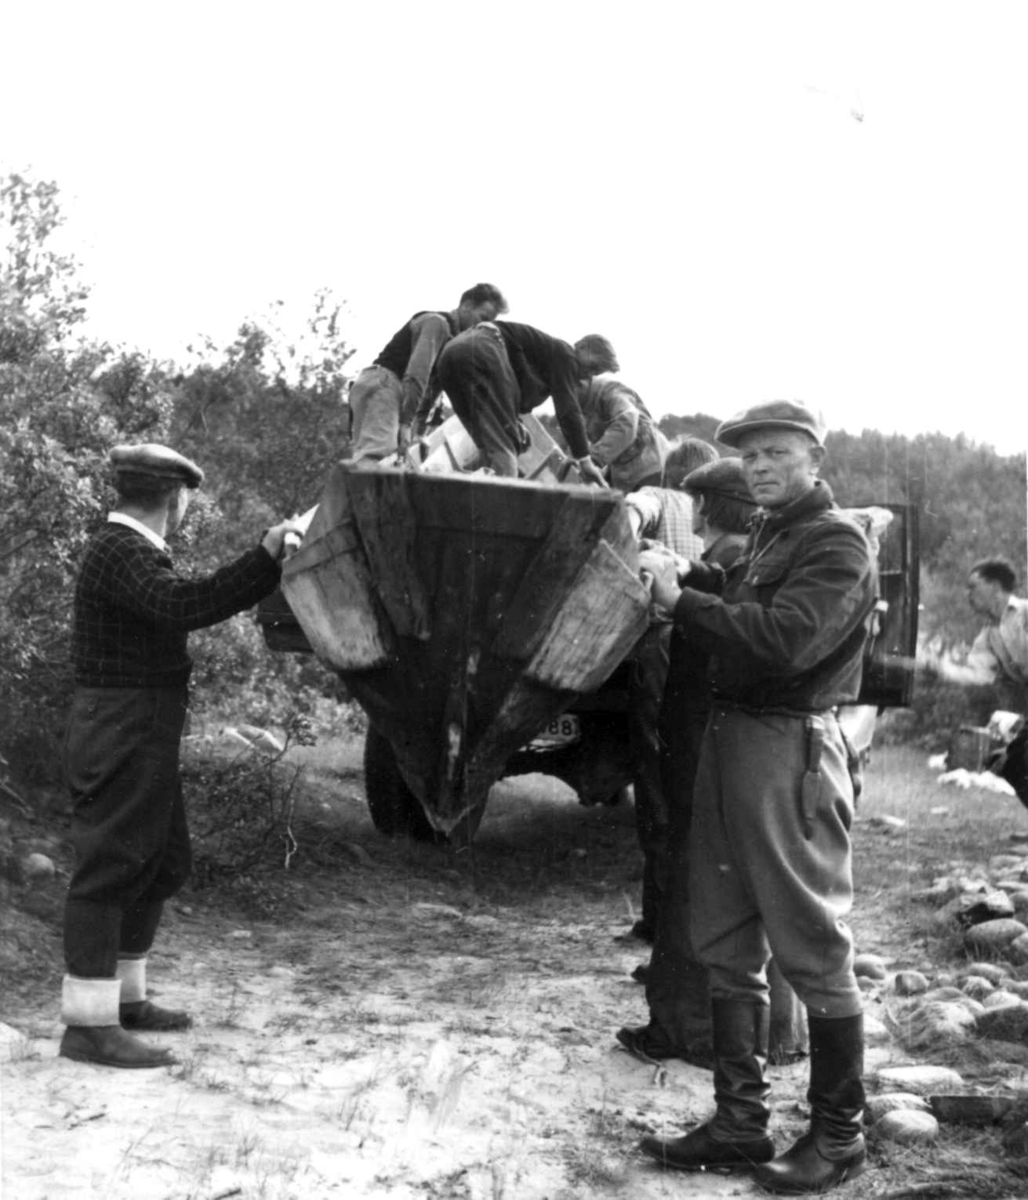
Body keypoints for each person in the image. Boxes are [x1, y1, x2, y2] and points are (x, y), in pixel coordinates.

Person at [636, 401, 877, 1195]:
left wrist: (681, 602)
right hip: (733, 741)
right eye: (750, 457)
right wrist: (688, 575)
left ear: (813, 455)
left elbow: (781, 637)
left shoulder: (835, 540)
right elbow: (740, 595)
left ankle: (838, 1137)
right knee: (726, 937)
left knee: (811, 941)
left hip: (788, 748)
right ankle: (741, 1123)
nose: (761, 467)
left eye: (776, 453)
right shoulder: (774, 533)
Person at [59, 444, 304, 1069]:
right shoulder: (122, 550)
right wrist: (265, 556)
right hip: (122, 723)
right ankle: (88, 1027)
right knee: (109, 868)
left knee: (163, 862)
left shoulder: (132, 551)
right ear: (177, 497)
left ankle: (127, 1002)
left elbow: (179, 598)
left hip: (139, 723)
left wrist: (264, 557)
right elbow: (183, 605)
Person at [617, 456, 755, 1060]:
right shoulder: (739, 562)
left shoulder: (732, 563)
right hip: (710, 744)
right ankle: (689, 1024)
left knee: (687, 883)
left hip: (699, 745)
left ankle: (679, 1030)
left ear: (703, 508)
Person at [618, 439, 717, 945]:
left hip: (659, 644)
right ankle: (668, 922)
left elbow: (639, 506)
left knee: (655, 782)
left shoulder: (661, 496)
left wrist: (626, 523)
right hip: (701, 642)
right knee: (682, 780)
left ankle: (659, 923)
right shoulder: (719, 524)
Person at [432, 320, 610, 484]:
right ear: (582, 347)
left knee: (491, 445)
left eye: (596, 373)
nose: (589, 375)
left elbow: (506, 394)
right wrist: (584, 459)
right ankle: (500, 514)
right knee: (505, 454)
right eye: (593, 367)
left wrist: (514, 425)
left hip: (451, 353)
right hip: (484, 347)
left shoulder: (543, 359)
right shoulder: (567, 356)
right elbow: (568, 411)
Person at [348, 283, 508, 465]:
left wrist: (418, 434)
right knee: (377, 456)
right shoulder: (437, 324)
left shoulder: (455, 343)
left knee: (392, 461)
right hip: (384, 383)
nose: (482, 327)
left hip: (392, 390)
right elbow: (417, 374)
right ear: (467, 306)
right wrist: (406, 424)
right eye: (482, 318)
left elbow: (433, 391)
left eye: (488, 324)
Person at [574, 345, 668, 491]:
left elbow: (626, 422)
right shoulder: (579, 408)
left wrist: (593, 458)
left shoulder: (609, 391)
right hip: (622, 473)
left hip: (651, 468)